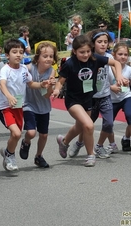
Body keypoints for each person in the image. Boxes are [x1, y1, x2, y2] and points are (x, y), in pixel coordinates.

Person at [52, 35, 123, 167]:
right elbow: (60, 81)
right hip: (73, 100)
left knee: (80, 126)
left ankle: (64, 142)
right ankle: (91, 155)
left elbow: (116, 63)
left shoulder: (95, 59)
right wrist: (56, 90)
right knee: (89, 125)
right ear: (74, 51)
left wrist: (119, 76)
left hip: (88, 98)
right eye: (82, 52)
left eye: (88, 51)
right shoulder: (69, 64)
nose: (85, 55)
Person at [0, 39, 50, 172]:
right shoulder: (5, 69)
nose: (18, 55)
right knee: (15, 133)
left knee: (17, 135)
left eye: (21, 52)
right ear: (7, 55)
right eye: (14, 52)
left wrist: (41, 85)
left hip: (19, 106)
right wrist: (9, 96)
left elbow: (31, 84)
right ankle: (10, 156)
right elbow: (2, 84)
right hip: (6, 107)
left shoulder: (24, 69)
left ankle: (7, 152)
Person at [69, 29, 123, 159]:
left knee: (109, 123)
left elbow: (115, 70)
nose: (103, 44)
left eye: (105, 42)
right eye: (100, 42)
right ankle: (78, 143)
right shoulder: (87, 56)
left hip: (105, 96)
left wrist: (119, 80)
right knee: (86, 126)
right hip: (90, 98)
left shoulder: (109, 57)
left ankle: (99, 146)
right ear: (93, 44)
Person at [19, 42, 57, 168]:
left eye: (51, 56)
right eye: (45, 56)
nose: (48, 59)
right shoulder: (29, 68)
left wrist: (50, 87)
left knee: (44, 135)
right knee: (30, 132)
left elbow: (46, 96)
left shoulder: (52, 71)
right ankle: (26, 142)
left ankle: (38, 156)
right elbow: (23, 78)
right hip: (28, 104)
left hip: (43, 106)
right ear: (38, 57)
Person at [108, 43, 131, 151]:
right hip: (112, 99)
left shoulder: (129, 69)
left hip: (126, 96)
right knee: (109, 123)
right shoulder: (109, 68)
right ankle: (112, 144)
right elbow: (103, 83)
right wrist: (112, 87)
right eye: (120, 54)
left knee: (130, 115)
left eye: (125, 54)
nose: (123, 57)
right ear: (113, 55)